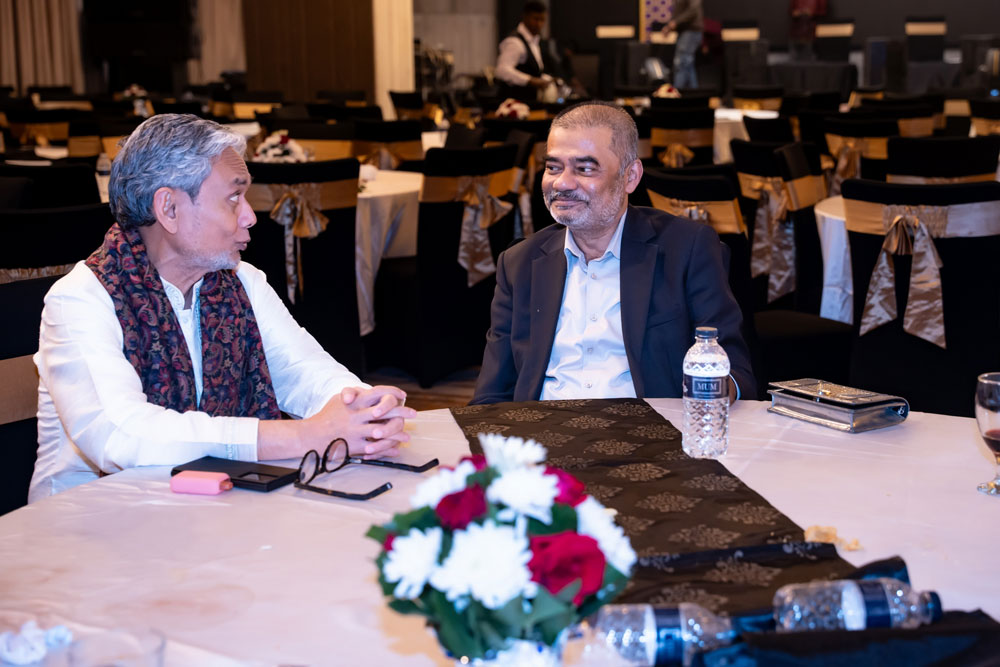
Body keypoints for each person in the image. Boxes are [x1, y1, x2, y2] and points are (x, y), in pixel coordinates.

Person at [29, 114, 416, 501]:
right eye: (234, 197)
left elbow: (303, 371)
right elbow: (121, 435)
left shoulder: (240, 282)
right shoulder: (82, 299)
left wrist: (363, 409)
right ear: (169, 209)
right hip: (91, 518)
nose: (250, 216)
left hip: (209, 507)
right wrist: (301, 436)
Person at [471, 101, 755, 405]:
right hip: (542, 427)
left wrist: (708, 393)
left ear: (630, 176)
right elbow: (492, 394)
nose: (562, 183)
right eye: (553, 167)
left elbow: (735, 372)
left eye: (585, 169)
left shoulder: (686, 250)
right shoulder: (519, 263)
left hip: (648, 428)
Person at [495, 1, 551, 102]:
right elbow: (502, 70)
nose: (539, 24)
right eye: (535, 19)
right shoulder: (515, 42)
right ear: (525, 17)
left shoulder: (535, 41)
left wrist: (546, 79)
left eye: (542, 20)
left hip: (530, 102)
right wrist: (529, 80)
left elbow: (533, 71)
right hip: (514, 103)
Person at [664, 0, 704, 89]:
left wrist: (675, 22)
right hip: (684, 32)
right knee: (687, 65)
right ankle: (694, 95)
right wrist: (670, 26)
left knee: (681, 63)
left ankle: (677, 93)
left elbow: (693, 10)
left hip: (691, 31)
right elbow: (679, 11)